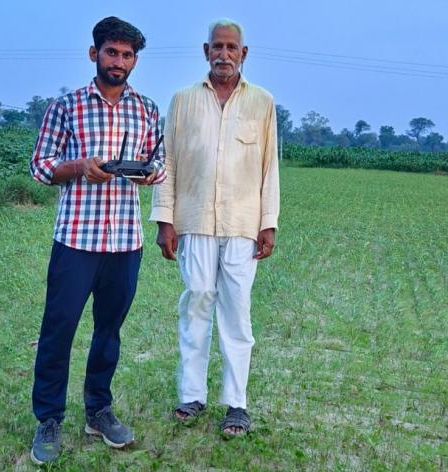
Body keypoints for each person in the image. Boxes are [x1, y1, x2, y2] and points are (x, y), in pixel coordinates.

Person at [28, 16, 165, 465]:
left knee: (109, 332)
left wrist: (147, 173)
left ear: (135, 61)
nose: (119, 61)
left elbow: (159, 161)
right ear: (94, 54)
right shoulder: (66, 106)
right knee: (58, 330)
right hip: (76, 240)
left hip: (125, 241)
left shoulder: (146, 109)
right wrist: (80, 166)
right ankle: (49, 419)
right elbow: (42, 166)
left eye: (127, 55)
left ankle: (98, 410)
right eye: (112, 52)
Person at [150, 18, 280, 438]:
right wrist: (165, 220)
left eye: (232, 47)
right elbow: (166, 162)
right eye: (217, 47)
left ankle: (236, 404)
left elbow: (269, 168)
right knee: (197, 302)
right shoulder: (183, 101)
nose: (224, 54)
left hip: (243, 224)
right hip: (194, 221)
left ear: (244, 54)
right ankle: (191, 394)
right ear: (205, 51)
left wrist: (268, 223)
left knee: (236, 312)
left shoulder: (262, 103)